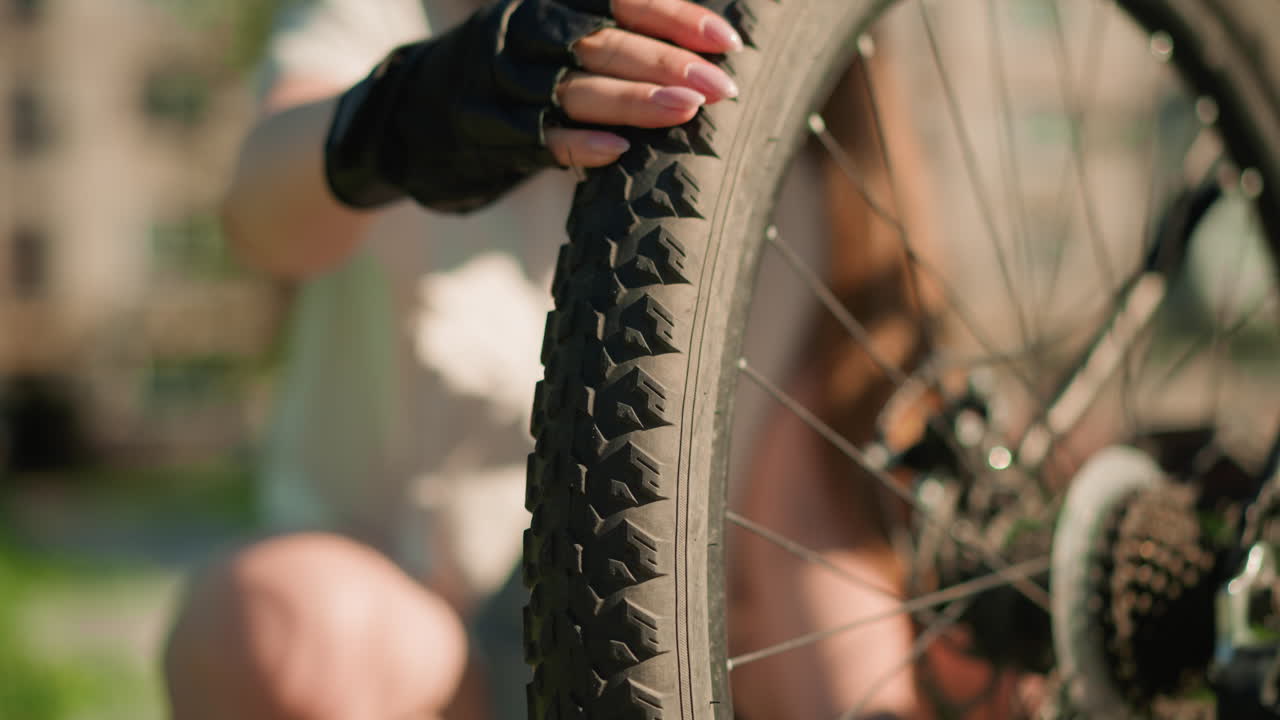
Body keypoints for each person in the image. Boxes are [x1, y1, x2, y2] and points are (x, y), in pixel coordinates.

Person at [162, 0, 1014, 717]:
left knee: (978, 659)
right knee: (270, 621)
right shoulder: (408, 14)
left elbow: (804, 537)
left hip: (681, 658)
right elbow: (258, 212)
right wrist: (418, 105)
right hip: (422, 645)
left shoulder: (800, 151)